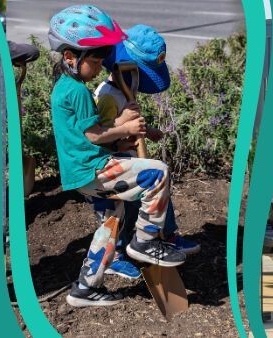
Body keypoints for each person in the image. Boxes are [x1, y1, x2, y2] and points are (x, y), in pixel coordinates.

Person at [46, 5, 185, 307]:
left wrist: (128, 133)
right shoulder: (78, 92)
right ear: (70, 57)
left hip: (81, 171)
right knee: (157, 173)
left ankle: (85, 288)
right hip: (92, 167)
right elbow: (94, 135)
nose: (98, 68)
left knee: (111, 221)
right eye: (93, 61)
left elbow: (88, 132)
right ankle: (146, 242)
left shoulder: (64, 88)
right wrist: (124, 125)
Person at [90, 24, 200, 280]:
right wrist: (123, 132)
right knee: (113, 214)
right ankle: (116, 256)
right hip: (109, 165)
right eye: (135, 74)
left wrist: (146, 130)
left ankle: (162, 238)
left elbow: (130, 126)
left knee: (155, 192)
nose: (137, 81)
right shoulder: (107, 97)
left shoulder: (123, 92)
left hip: (129, 160)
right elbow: (99, 137)